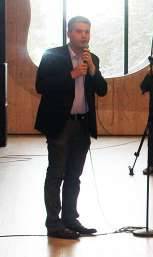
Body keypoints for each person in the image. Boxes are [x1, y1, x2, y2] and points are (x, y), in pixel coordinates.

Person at [35, 16, 108, 240]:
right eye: (79, 31)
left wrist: (93, 70)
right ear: (69, 33)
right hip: (60, 123)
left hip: (82, 124)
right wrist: (72, 75)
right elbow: (41, 86)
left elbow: (102, 90)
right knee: (56, 173)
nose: (84, 35)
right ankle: (53, 223)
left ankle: (70, 219)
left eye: (87, 31)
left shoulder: (92, 58)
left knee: (74, 175)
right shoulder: (52, 55)